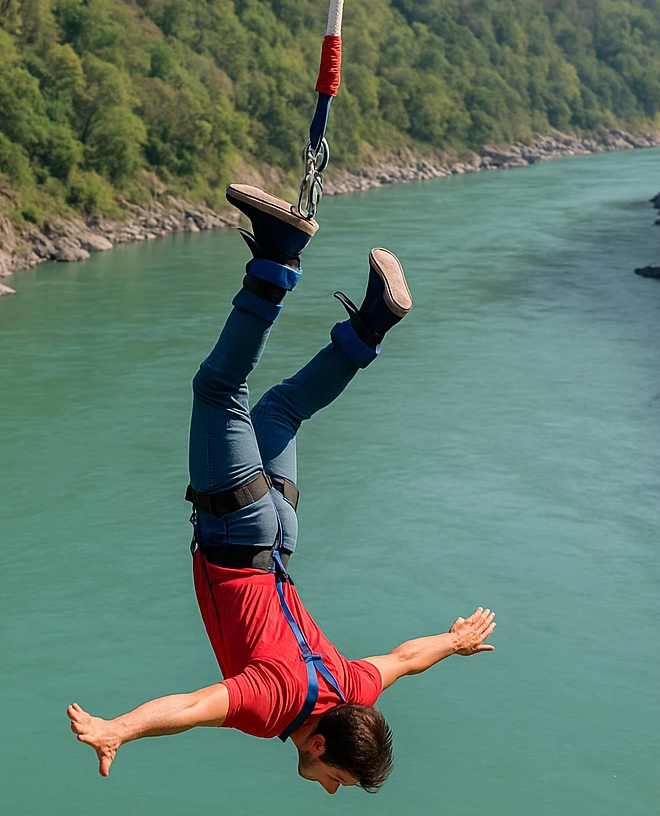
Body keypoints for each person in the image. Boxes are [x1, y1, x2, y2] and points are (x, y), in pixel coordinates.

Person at [67, 183, 498, 794]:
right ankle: (278, 257)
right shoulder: (272, 706)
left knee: (281, 412)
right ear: (319, 743)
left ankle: (372, 324)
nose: (327, 787)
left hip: (280, 538)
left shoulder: (353, 688)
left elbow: (403, 660)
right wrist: (121, 730)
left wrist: (454, 642)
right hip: (237, 534)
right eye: (336, 777)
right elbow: (190, 709)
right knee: (221, 388)